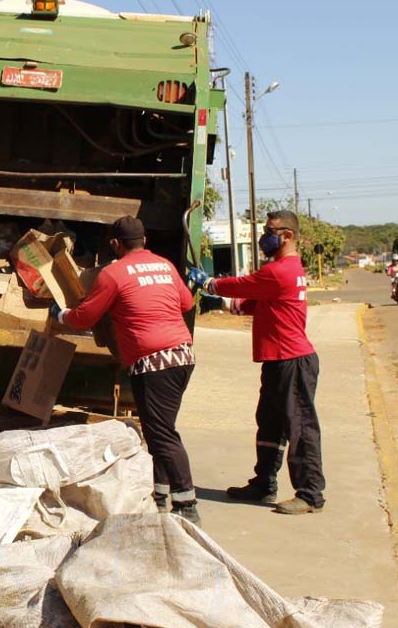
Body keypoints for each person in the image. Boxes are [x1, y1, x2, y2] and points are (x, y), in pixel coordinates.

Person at [51, 215, 200, 525]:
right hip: (182, 356)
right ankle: (159, 495)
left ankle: (186, 503)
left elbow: (85, 317)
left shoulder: (113, 274)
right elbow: (186, 304)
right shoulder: (165, 266)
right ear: (144, 241)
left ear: (116, 244)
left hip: (154, 361)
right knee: (158, 429)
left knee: (163, 433)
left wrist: (61, 314)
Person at [188, 209, 325, 515]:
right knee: (270, 425)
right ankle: (263, 484)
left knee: (300, 428)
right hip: (278, 360)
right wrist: (219, 299)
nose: (265, 235)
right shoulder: (281, 268)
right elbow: (251, 303)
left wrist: (210, 284)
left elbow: (243, 285)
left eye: (270, 230)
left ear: (287, 235)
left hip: (293, 360)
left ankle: (310, 494)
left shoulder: (281, 270)